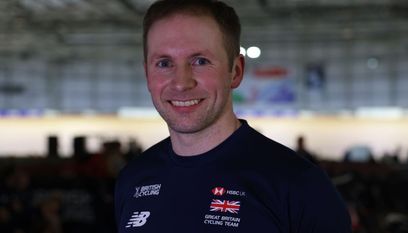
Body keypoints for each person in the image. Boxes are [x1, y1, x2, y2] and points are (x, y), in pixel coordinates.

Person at [114, 0, 351, 232]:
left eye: (200, 61)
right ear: (147, 74)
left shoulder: (299, 185)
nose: (181, 83)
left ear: (235, 72)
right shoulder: (133, 179)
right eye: (164, 63)